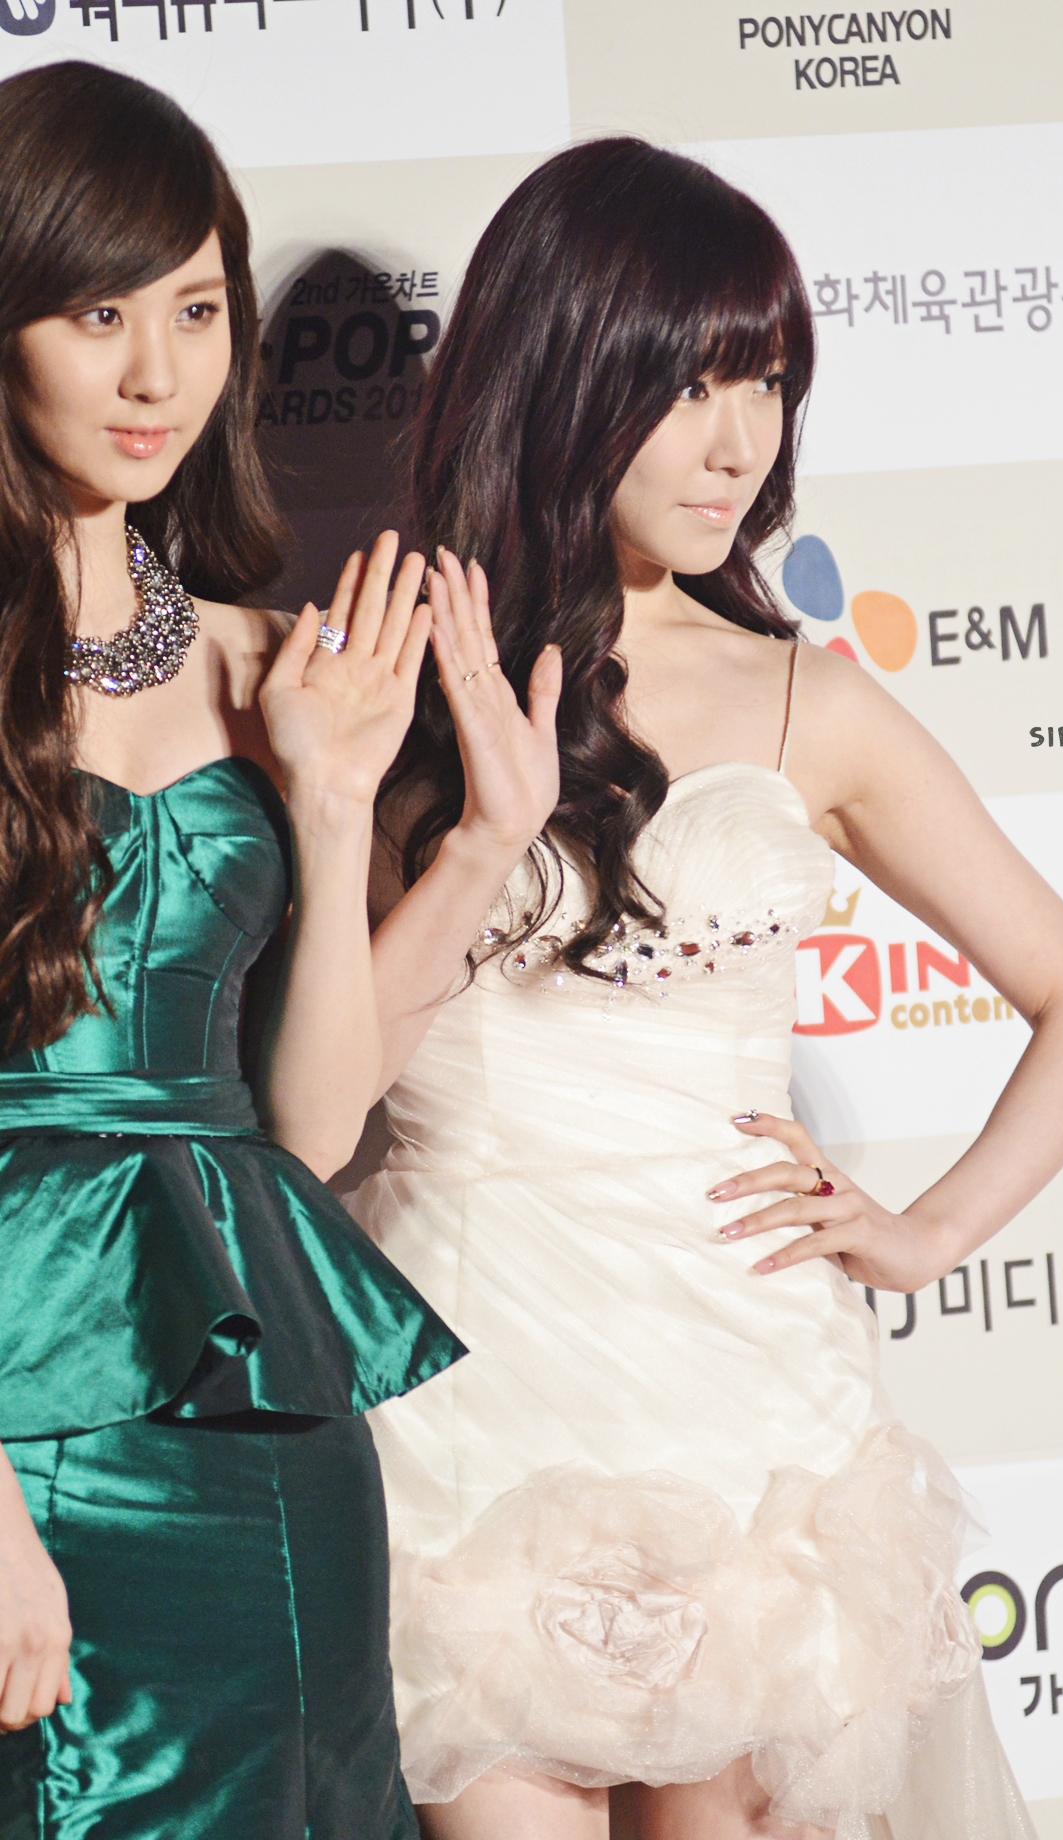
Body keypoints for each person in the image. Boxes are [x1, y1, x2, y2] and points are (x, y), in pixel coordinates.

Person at [352, 139, 1063, 1840]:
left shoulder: (810, 704)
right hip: (469, 1394)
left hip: (741, 1398)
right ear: (566, 374)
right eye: (691, 383)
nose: (741, 442)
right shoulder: (389, 685)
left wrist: (922, 1235)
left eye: (769, 383)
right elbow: (325, 1087)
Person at [0, 61, 559, 1839]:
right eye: (99, 314)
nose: (157, 376)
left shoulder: (271, 662)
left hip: (267, 1409)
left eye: (195, 310)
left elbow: (305, 1133)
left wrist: (345, 807)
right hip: (27, 1421)